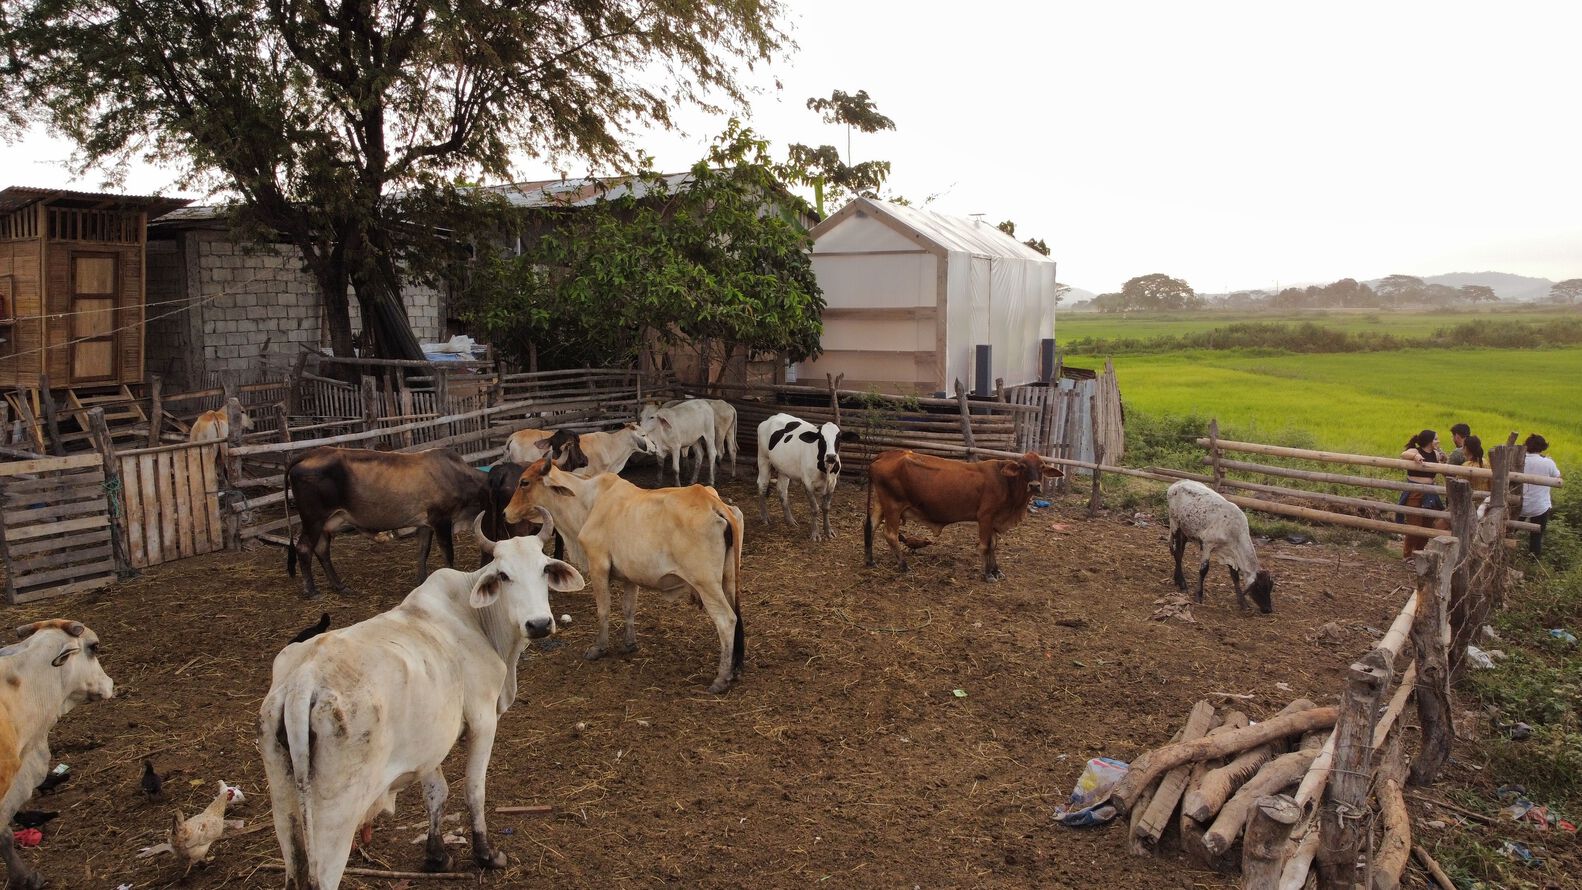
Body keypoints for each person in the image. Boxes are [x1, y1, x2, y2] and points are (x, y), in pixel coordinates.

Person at [1399, 429, 1446, 558]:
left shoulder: (1436, 454)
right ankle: (1407, 555)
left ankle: (1419, 553)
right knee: (1414, 524)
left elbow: (1443, 464)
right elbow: (1403, 454)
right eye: (1436, 439)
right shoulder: (1416, 451)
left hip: (1431, 493)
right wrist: (1415, 457)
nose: (1438, 441)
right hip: (1415, 492)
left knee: (1427, 524)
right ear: (1429, 441)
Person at [1520, 434, 1562, 558]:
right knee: (1536, 536)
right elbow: (1558, 478)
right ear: (1542, 447)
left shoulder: (1519, 459)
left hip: (1519, 504)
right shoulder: (1548, 462)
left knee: (1509, 531)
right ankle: (1533, 559)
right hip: (1540, 506)